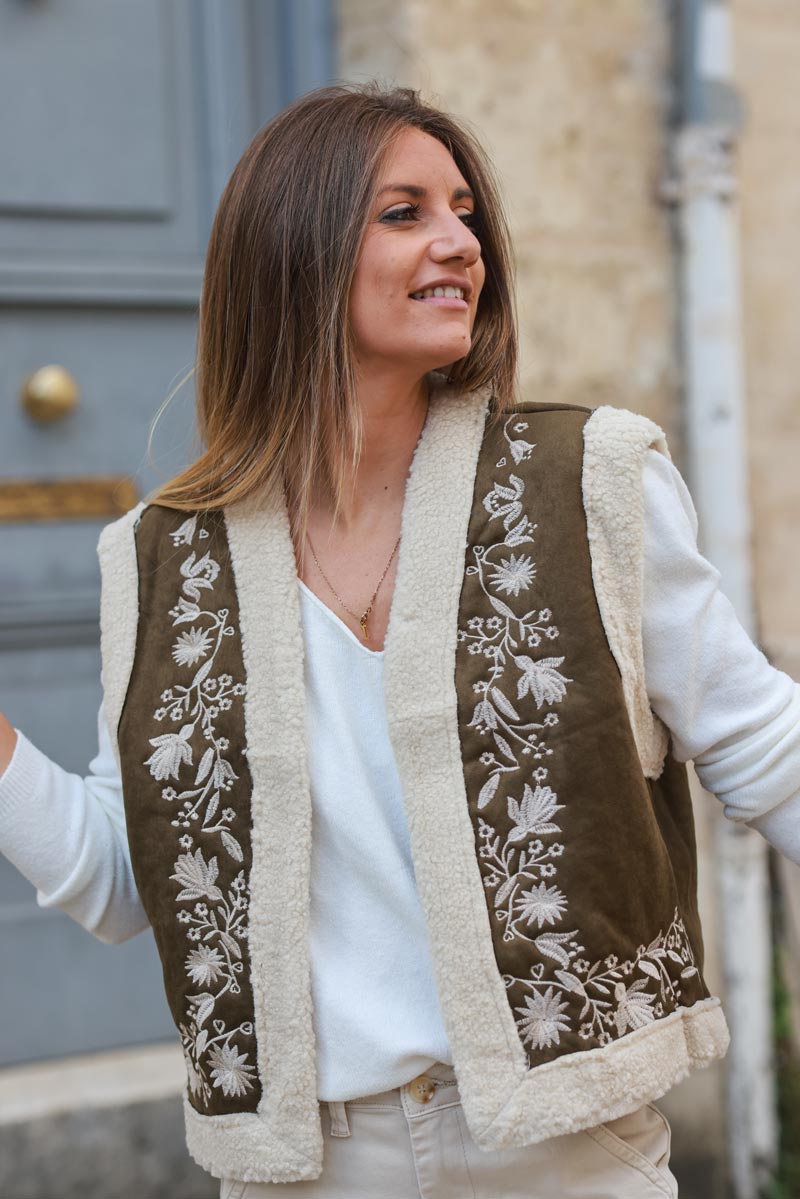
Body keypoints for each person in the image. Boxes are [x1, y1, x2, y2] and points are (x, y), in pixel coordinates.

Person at [1, 81, 798, 1199]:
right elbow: (127, 877)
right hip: (306, 1169)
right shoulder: (162, 556)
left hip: (566, 1153)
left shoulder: (587, 481)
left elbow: (763, 745)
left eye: (464, 209)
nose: (458, 240)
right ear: (295, 250)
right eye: (404, 211)